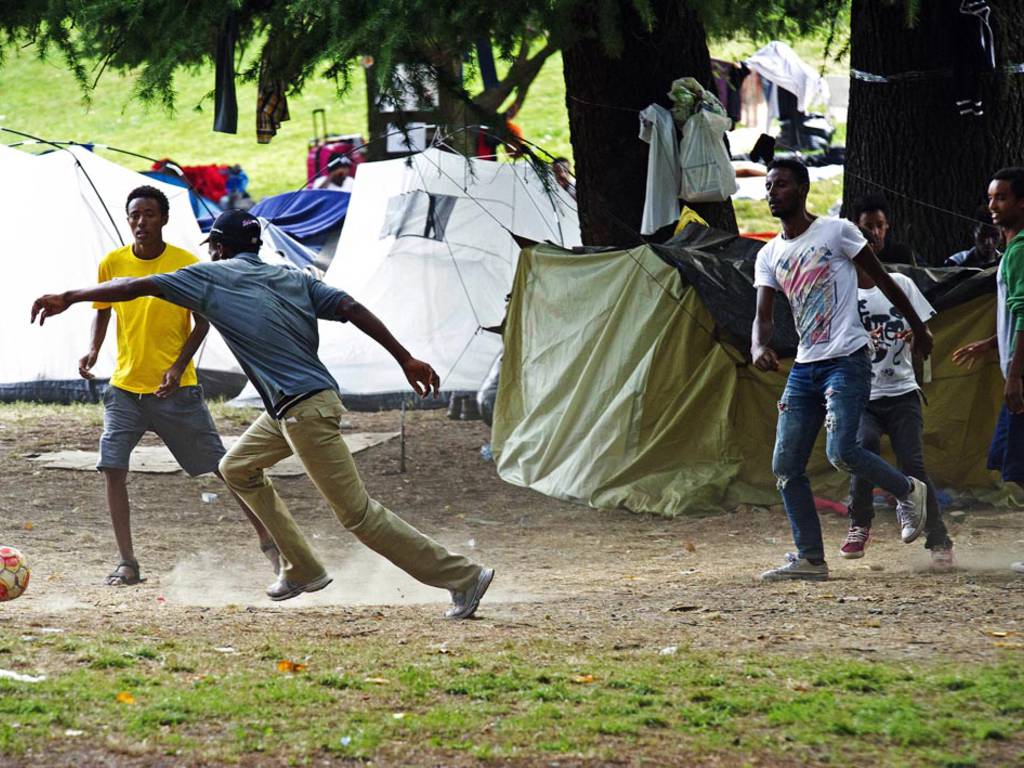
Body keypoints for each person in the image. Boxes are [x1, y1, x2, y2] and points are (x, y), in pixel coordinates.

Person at [33, 210, 495, 617]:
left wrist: (69, 296)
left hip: (303, 412)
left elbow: (135, 285)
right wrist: (405, 358)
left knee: (358, 515)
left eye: (212, 246)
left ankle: (462, 577)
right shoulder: (295, 277)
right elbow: (351, 307)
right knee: (236, 467)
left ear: (217, 247)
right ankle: (303, 568)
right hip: (292, 408)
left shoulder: (210, 276)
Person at [81, 187, 277, 586]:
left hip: (177, 392)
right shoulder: (111, 263)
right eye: (135, 214)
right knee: (112, 468)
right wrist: (93, 350)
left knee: (224, 469)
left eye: (150, 214)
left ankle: (272, 545)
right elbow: (102, 309)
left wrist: (177, 366)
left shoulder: (186, 265)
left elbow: (202, 323)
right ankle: (127, 563)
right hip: (124, 390)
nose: (141, 222)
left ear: (164, 219)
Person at [751, 159, 932, 582]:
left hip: (847, 360)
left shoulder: (837, 231)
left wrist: (918, 327)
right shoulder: (769, 253)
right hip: (806, 367)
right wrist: (758, 345)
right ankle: (811, 558)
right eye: (768, 186)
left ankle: (908, 490)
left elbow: (884, 280)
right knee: (785, 465)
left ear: (803, 189)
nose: (771, 192)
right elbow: (763, 315)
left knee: (841, 451)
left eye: (780, 185)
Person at [844, 264, 955, 568]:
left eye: (879, 226)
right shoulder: (843, 291)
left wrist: (921, 344)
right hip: (862, 396)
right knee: (861, 449)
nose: (874, 235)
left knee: (912, 463)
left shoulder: (901, 284)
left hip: (902, 393)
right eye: (867, 229)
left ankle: (939, 539)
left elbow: (925, 332)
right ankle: (860, 524)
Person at [952, 167, 1024, 575]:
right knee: (1012, 463)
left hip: (1021, 377)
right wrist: (993, 344)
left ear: (1022, 203)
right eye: (991, 198)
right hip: (1014, 368)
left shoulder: (1020, 251)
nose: (993, 207)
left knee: (1019, 466)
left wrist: (1014, 376)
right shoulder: (1013, 249)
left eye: (1002, 198)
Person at [851, 193, 918, 266]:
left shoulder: (903, 253)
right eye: (869, 226)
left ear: (886, 224)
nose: (875, 232)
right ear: (857, 226)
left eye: (880, 225)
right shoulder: (850, 254)